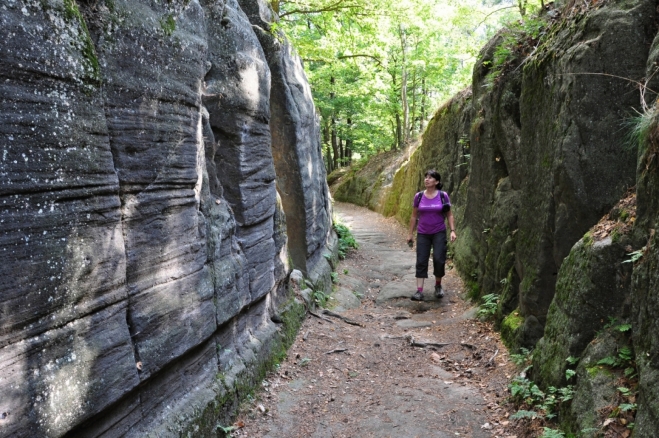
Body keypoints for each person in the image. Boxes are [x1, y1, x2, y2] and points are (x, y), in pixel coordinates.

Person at [406, 170, 457, 301]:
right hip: (423, 233)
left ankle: (438, 285)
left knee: (439, 259)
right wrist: (410, 233)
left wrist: (452, 230)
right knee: (421, 260)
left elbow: (449, 214)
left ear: (437, 182)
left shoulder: (442, 196)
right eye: (426, 177)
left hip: (439, 232)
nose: (427, 180)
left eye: (430, 178)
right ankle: (419, 291)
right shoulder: (418, 196)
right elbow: (413, 216)